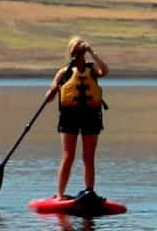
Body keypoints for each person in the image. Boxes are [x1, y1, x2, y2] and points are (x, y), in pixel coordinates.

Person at [42, 36, 108, 201]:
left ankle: (89, 191)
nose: (80, 55)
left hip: (91, 117)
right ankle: (60, 195)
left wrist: (92, 52)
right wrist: (53, 90)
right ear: (71, 53)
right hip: (69, 118)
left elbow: (105, 71)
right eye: (77, 51)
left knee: (88, 157)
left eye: (82, 52)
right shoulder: (63, 73)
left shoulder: (92, 69)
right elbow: (48, 98)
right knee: (68, 156)